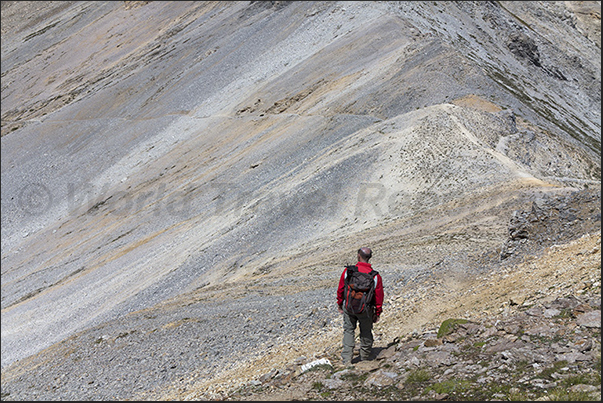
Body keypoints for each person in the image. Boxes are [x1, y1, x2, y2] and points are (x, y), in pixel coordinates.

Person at [336, 247, 384, 365]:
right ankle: (365, 357)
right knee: (366, 331)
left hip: (349, 306)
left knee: (348, 330)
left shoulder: (349, 271)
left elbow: (341, 288)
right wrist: (377, 312)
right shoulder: (375, 276)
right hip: (366, 310)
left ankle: (347, 359)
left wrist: (340, 304)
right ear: (370, 257)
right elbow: (379, 296)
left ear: (358, 256)